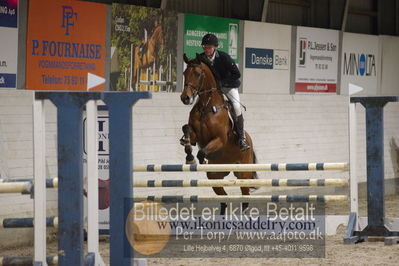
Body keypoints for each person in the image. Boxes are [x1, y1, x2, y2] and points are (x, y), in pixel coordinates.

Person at [200, 33, 250, 151]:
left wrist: (223, 83)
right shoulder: (201, 58)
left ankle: (241, 138)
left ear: (215, 47)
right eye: (205, 47)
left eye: (209, 47)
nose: (207, 50)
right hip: (213, 89)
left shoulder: (223, 57)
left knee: (236, 107)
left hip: (228, 87)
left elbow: (237, 74)